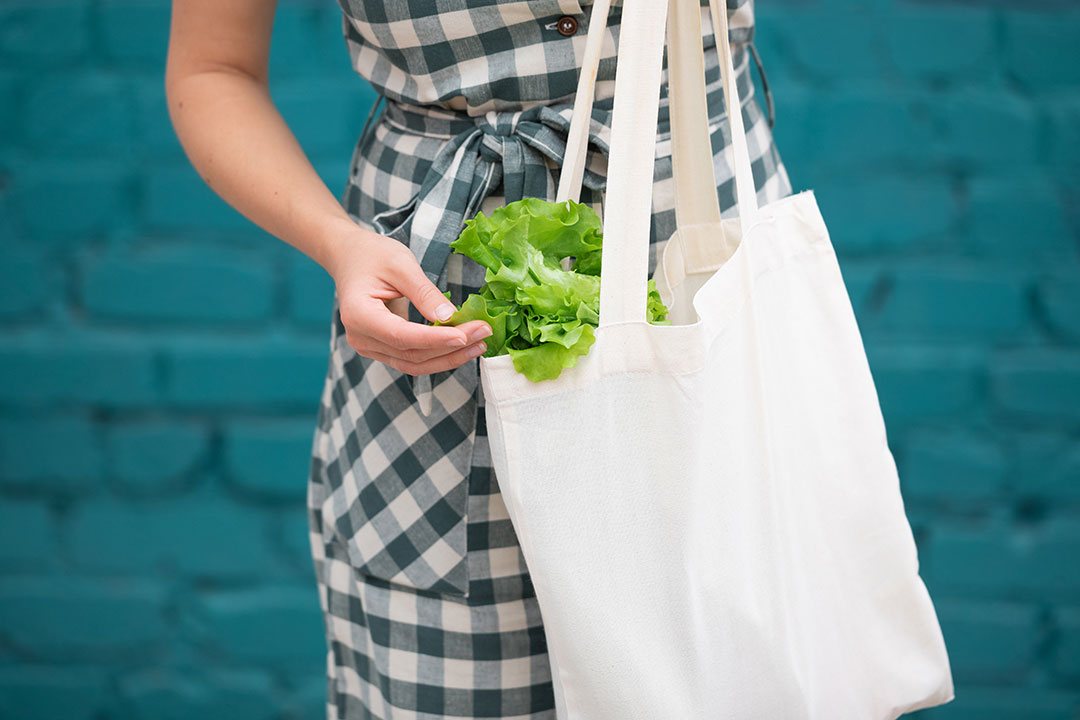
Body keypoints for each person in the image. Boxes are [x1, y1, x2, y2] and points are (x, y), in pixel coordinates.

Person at [166, 0, 792, 717]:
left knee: (753, 664)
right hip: (445, 296)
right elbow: (213, 69)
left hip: (704, 256)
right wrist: (339, 245)